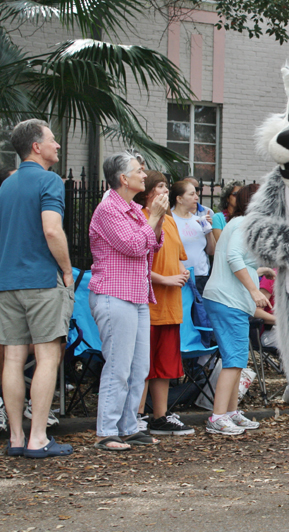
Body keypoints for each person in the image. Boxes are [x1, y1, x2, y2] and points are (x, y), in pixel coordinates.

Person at [0, 119, 74, 458]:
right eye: (52, 140)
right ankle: (39, 438)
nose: (57, 145)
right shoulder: (49, 181)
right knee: (47, 356)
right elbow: (52, 230)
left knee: (13, 358)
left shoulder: (6, 187)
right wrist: (66, 269)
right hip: (41, 280)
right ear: (36, 147)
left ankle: (16, 438)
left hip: (7, 282)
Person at [88, 152, 168, 451]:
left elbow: (153, 245)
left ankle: (129, 427)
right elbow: (135, 246)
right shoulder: (109, 209)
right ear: (123, 178)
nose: (144, 175)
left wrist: (154, 219)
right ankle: (106, 431)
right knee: (118, 367)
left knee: (138, 367)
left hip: (136, 295)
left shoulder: (133, 209)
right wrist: (156, 216)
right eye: (139, 170)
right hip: (113, 294)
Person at [134, 171, 194, 437]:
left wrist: (181, 273)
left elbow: (179, 257)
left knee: (164, 366)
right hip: (149, 306)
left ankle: (160, 416)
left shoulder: (170, 222)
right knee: (143, 365)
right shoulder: (139, 218)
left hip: (171, 306)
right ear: (147, 192)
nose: (165, 191)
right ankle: (136, 416)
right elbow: (138, 263)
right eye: (160, 186)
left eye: (167, 186)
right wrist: (167, 280)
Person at [202, 184, 266, 435]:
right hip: (229, 301)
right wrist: (254, 290)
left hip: (227, 300)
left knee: (236, 359)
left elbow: (236, 259)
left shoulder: (238, 223)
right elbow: (234, 258)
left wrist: (259, 272)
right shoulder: (243, 225)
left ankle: (229, 412)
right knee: (233, 359)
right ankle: (217, 417)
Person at [170, 180, 216, 293]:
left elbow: (212, 251)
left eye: (196, 193)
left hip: (201, 275)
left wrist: (208, 230)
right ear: (179, 199)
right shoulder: (169, 220)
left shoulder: (198, 220)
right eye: (191, 194)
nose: (196, 197)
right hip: (180, 275)